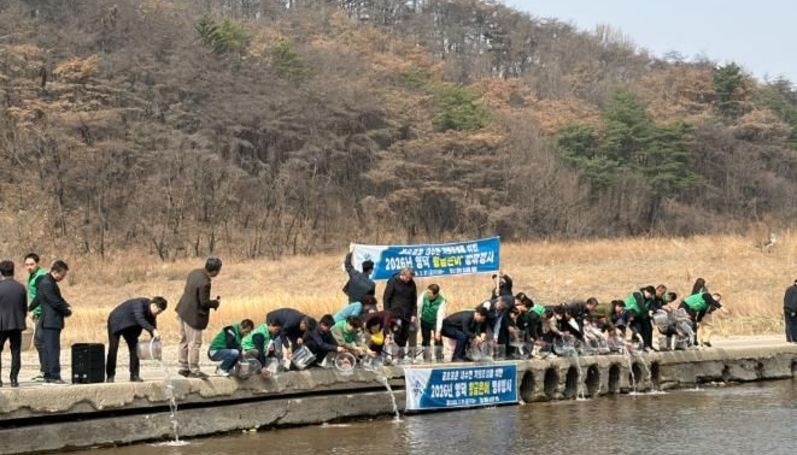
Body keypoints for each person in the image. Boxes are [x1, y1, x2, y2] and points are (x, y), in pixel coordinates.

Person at [175, 257, 222, 378]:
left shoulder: (194, 272)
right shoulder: (205, 282)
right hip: (193, 316)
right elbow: (204, 302)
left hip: (182, 310)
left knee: (183, 340)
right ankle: (194, 370)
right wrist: (215, 303)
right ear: (215, 271)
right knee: (194, 344)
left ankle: (183, 367)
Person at [105, 296, 167, 383]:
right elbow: (140, 319)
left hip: (130, 327)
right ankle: (110, 376)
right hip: (116, 322)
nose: (158, 314)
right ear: (153, 305)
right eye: (158, 311)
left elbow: (152, 325)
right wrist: (153, 330)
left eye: (160, 312)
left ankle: (134, 375)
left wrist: (155, 341)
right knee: (113, 349)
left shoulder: (152, 314)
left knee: (135, 349)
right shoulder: (139, 304)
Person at [29, 260, 71, 385]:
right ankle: (54, 375)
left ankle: (48, 374)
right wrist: (67, 311)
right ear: (55, 272)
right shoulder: (47, 283)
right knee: (53, 349)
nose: (63, 277)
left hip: (47, 320)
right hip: (51, 321)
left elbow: (38, 298)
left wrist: (29, 308)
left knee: (48, 348)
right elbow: (55, 301)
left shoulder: (46, 282)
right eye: (62, 274)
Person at [0, 260, 27, 388]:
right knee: (15, 351)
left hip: (1, 324)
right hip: (17, 323)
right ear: (13, 271)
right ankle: (14, 379)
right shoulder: (20, 288)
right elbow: (24, 308)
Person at [24, 253, 48, 381]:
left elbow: (41, 295)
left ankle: (45, 371)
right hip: (37, 314)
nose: (29, 267)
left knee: (40, 341)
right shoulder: (32, 276)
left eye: (32, 264)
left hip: (42, 313)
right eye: (27, 265)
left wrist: (34, 310)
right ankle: (44, 370)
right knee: (40, 342)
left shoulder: (40, 276)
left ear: (37, 263)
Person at [383, 267, 417, 355]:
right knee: (396, 333)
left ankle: (400, 355)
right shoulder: (393, 281)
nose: (408, 280)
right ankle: (394, 354)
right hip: (395, 312)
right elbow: (386, 298)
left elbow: (414, 299)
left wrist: (414, 313)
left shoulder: (412, 283)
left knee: (404, 334)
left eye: (410, 278)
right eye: (407, 278)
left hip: (407, 313)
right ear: (402, 275)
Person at [418, 284, 446, 361]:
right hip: (424, 320)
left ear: (436, 294)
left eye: (430, 293)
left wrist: (438, 331)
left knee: (438, 339)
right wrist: (417, 320)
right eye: (427, 292)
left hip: (435, 321)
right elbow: (418, 308)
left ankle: (439, 357)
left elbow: (440, 316)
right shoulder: (424, 295)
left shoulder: (441, 301)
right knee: (426, 339)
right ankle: (427, 357)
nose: (428, 294)